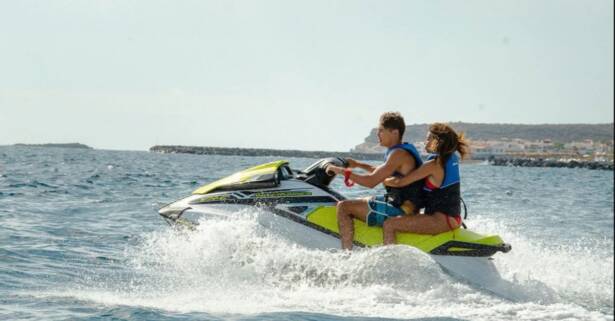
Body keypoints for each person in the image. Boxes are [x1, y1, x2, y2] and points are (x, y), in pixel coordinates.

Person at [325, 112, 424, 250]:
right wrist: (358, 165)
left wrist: (340, 171)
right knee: (359, 200)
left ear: (394, 132)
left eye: (381, 130)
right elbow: (379, 172)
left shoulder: (399, 154)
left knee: (344, 207)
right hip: (399, 203)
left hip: (401, 210)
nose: (378, 134)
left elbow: (370, 182)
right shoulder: (399, 151)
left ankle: (346, 255)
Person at [381, 122, 469, 245]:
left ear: (438, 141)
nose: (425, 142)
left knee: (389, 224)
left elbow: (400, 182)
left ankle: (391, 260)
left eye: (428, 139)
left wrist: (381, 178)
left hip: (441, 221)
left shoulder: (434, 164)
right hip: (451, 218)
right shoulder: (449, 158)